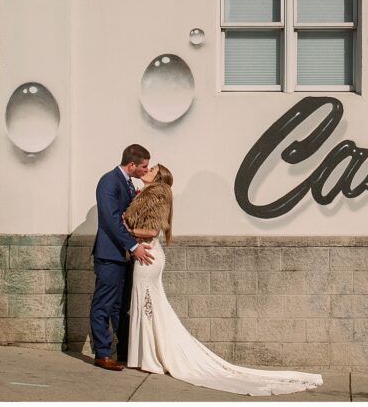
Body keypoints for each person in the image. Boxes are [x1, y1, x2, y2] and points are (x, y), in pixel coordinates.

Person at [122, 164, 323, 396]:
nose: (148, 169)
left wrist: (128, 230)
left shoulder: (158, 192)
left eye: (152, 168)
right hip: (148, 255)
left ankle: (150, 357)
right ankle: (148, 355)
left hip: (148, 255)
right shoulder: (149, 193)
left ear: (158, 176)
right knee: (150, 307)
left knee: (147, 305)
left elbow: (153, 230)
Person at [91, 144, 154, 371]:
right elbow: (111, 219)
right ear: (131, 165)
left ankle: (124, 351)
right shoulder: (109, 181)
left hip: (121, 256)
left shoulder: (127, 184)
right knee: (103, 304)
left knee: (119, 306)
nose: (145, 171)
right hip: (109, 254)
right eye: (143, 166)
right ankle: (103, 353)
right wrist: (134, 246)